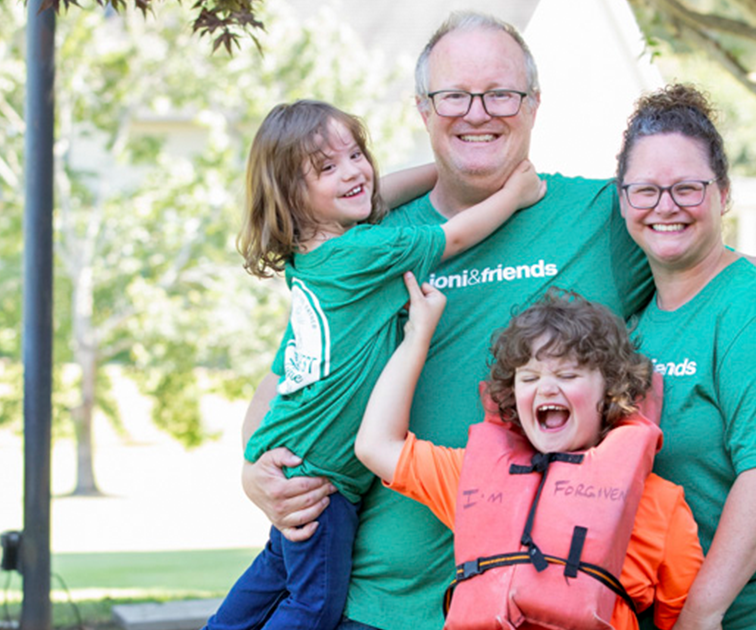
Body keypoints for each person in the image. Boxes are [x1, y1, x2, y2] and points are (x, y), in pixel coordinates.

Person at [240, 14, 756, 630]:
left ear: (533, 104)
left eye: (501, 93)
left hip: (543, 604)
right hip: (381, 603)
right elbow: (294, 369)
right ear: (422, 107)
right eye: (454, 96)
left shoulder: (597, 216)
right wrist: (252, 470)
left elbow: (695, 249)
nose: (478, 112)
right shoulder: (376, 241)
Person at [208, 99, 544, 630]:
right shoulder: (361, 254)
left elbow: (376, 192)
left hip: (297, 452)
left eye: (356, 154)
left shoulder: (314, 251)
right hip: (326, 478)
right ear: (294, 196)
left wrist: (448, 168)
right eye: (326, 167)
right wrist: (513, 193)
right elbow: (452, 235)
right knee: (314, 606)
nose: (353, 172)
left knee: (274, 572)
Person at [616, 84, 756, 630]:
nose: (665, 206)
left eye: (687, 188)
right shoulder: (635, 320)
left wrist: (699, 614)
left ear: (723, 193)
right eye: (645, 190)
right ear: (623, 199)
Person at [355, 280, 703, 630]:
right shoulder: (472, 477)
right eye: (529, 377)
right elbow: (376, 445)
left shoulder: (661, 504)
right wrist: (417, 333)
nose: (546, 388)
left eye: (568, 375)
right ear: (512, 394)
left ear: (610, 393)